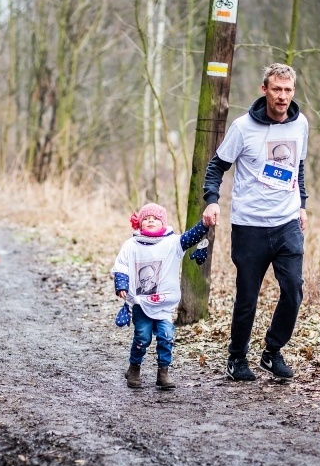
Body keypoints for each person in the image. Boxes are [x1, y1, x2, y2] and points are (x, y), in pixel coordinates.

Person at [202, 63, 309, 382]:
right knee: (247, 297)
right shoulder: (243, 127)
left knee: (293, 290)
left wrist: (302, 204)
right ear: (264, 90)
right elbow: (215, 167)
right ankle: (236, 358)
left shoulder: (300, 123)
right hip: (250, 226)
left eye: (288, 90)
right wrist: (212, 201)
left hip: (287, 223)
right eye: (277, 89)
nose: (283, 96)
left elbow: (298, 167)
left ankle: (272, 352)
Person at [111, 203, 209, 390]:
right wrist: (122, 285)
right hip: (141, 302)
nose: (150, 221)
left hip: (164, 303)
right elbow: (122, 266)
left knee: (166, 336)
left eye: (155, 218)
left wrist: (204, 224)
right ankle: (134, 369)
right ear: (139, 223)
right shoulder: (131, 245)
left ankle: (163, 373)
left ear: (163, 223)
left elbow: (190, 237)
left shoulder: (173, 243)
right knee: (142, 337)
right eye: (146, 218)